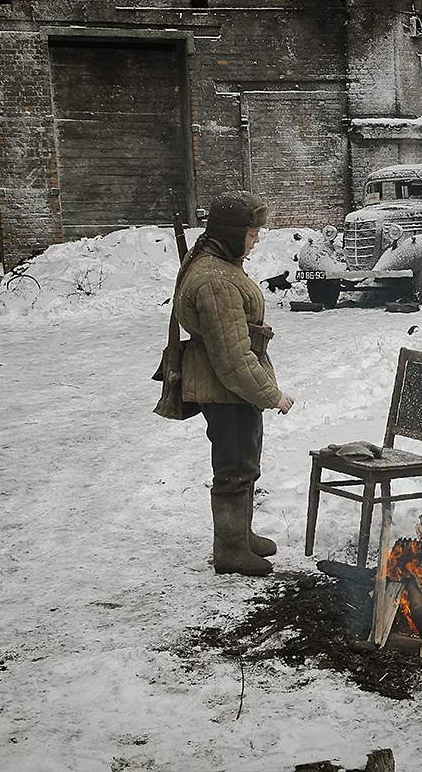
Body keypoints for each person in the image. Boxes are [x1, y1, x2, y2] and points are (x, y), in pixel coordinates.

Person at [175, 190, 296, 577]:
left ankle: (241, 535)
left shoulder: (219, 263)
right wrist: (271, 395)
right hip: (226, 390)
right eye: (252, 232)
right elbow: (232, 357)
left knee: (244, 460)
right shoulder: (215, 280)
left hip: (229, 388)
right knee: (233, 467)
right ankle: (230, 550)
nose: (257, 239)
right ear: (230, 232)